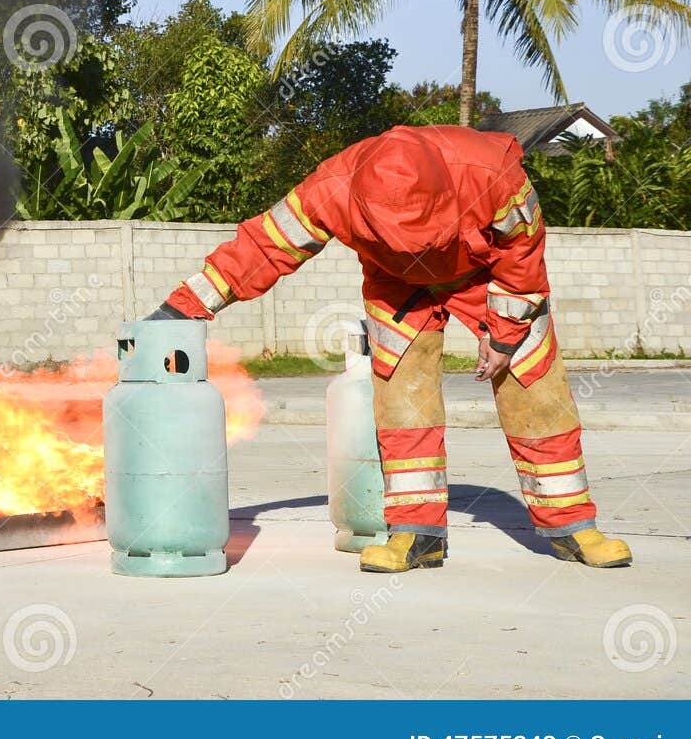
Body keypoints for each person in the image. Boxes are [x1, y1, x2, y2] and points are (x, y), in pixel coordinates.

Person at [150, 124, 631, 573]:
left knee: (536, 391)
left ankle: (572, 526)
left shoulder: (495, 175)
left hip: (488, 278)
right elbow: (262, 248)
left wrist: (504, 336)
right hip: (397, 287)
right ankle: (417, 534)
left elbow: (522, 257)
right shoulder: (330, 188)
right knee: (402, 399)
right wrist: (182, 309)